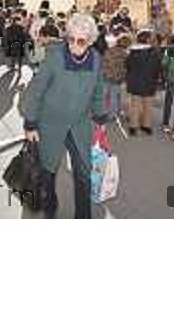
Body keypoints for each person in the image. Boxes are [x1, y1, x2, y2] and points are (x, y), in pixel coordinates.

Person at [23, 14, 108, 219]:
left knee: (84, 174)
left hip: (79, 124)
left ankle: (83, 216)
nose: (74, 45)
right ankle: (50, 208)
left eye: (81, 41)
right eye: (71, 39)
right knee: (47, 171)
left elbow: (98, 90)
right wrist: (30, 123)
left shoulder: (95, 60)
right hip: (49, 123)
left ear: (90, 41)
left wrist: (100, 117)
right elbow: (36, 91)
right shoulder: (54, 57)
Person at [125, 30, 162, 136]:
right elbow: (157, 68)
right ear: (147, 39)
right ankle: (146, 126)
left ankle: (133, 126)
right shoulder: (154, 53)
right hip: (149, 82)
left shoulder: (131, 52)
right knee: (148, 105)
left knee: (134, 105)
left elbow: (128, 66)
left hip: (134, 82)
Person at [101, 33, 131, 119]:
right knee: (114, 96)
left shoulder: (109, 50)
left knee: (104, 95)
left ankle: (102, 112)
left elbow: (103, 62)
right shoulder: (126, 54)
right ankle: (113, 114)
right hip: (117, 78)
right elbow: (126, 68)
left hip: (106, 75)